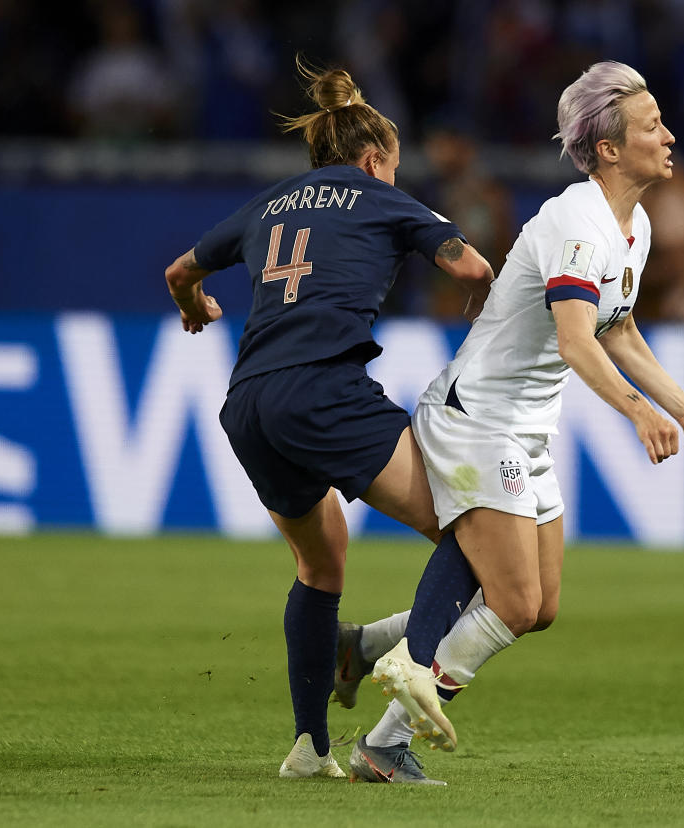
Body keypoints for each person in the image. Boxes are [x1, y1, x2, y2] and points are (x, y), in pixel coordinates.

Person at [335, 61, 684, 785]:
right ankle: (384, 745)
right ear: (609, 149)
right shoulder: (576, 222)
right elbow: (577, 340)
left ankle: (363, 647)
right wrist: (640, 414)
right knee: (511, 600)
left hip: (522, 427)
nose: (669, 135)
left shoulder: (632, 224)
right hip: (480, 418)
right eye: (652, 126)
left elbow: (618, 331)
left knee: (540, 605)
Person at [161, 59, 494, 780]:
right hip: (324, 392)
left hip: (249, 401)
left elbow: (179, 272)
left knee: (320, 560)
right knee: (475, 526)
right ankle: (400, 668)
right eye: (394, 168)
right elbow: (471, 268)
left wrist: (195, 312)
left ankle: (309, 748)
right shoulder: (382, 199)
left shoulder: (269, 204)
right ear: (375, 160)